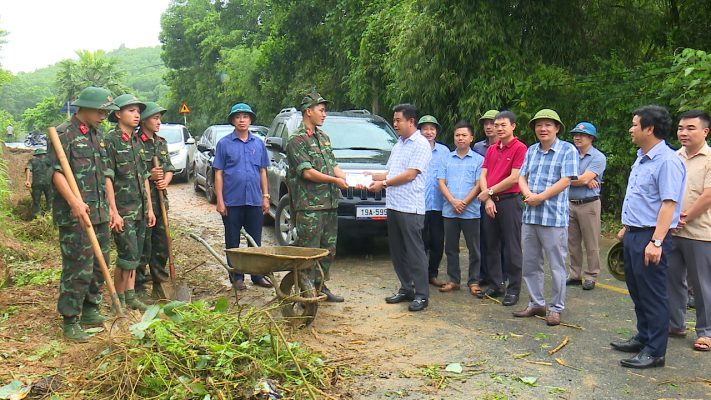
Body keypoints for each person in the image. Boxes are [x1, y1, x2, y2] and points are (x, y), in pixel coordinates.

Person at [611, 105, 685, 369]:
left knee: (653, 294)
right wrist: (627, 226)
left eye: (634, 124)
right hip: (634, 233)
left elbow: (668, 204)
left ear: (649, 128)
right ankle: (644, 336)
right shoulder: (642, 156)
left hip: (651, 237)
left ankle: (655, 351)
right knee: (638, 291)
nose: (631, 129)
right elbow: (641, 197)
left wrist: (656, 242)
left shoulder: (666, 160)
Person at [48, 86, 119, 341]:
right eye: (100, 110)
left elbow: (104, 175)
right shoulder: (62, 134)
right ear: (84, 108)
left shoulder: (97, 134)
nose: (103, 115)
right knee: (78, 266)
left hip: (98, 212)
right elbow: (56, 173)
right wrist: (74, 203)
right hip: (75, 214)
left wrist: (111, 208)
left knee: (100, 265)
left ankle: (91, 309)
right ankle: (71, 319)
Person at [514, 109, 578, 326]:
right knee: (530, 262)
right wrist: (528, 195)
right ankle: (536, 303)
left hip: (553, 217)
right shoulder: (531, 150)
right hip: (530, 215)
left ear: (557, 128)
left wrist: (540, 197)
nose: (543, 129)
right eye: (539, 125)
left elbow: (566, 180)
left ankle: (556, 308)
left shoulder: (567, 150)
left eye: (548, 125)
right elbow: (522, 176)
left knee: (557, 265)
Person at [368, 103, 431, 312]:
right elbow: (391, 171)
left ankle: (421, 294)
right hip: (394, 205)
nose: (395, 124)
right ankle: (406, 288)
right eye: (394, 120)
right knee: (397, 251)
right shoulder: (399, 144)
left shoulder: (421, 144)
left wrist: (384, 184)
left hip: (410, 207)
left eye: (398, 120)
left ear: (411, 121)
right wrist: (370, 176)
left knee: (415, 252)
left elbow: (411, 174)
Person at [286, 92, 348, 302]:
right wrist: (335, 181)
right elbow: (307, 172)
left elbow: (333, 165)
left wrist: (347, 178)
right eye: (321, 110)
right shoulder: (296, 140)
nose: (324, 114)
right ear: (308, 111)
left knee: (328, 250)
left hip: (330, 204)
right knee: (308, 251)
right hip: (310, 206)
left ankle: (320, 286)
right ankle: (304, 289)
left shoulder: (323, 137)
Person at [214, 102, 273, 292]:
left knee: (255, 240)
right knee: (233, 241)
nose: (242, 120)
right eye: (238, 116)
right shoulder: (224, 144)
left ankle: (256, 275)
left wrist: (265, 196)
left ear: (250, 120)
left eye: (245, 116)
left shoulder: (258, 143)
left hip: (254, 200)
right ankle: (236, 276)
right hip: (232, 201)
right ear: (232, 120)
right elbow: (219, 173)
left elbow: (263, 171)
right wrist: (220, 201)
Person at [105, 94, 155, 311]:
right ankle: (119, 300)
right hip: (123, 209)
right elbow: (107, 177)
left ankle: (131, 294)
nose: (136, 115)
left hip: (140, 209)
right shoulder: (111, 140)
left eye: (138, 111)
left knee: (136, 254)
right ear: (118, 114)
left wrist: (150, 208)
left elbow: (144, 177)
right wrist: (113, 211)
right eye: (131, 111)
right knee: (126, 255)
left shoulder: (136, 140)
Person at [666, 110, 711, 352]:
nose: (683, 132)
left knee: (703, 284)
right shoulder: (674, 157)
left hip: (701, 232)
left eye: (690, 128)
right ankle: (675, 323)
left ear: (705, 131)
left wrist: (684, 217)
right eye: (681, 128)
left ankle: (706, 331)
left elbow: (708, 195)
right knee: (672, 280)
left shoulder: (710, 158)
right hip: (673, 231)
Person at [476, 111, 527, 307]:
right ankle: (496, 284)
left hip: (510, 201)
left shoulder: (520, 148)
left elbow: (515, 177)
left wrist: (488, 191)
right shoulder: (491, 149)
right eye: (496, 125)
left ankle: (513, 289)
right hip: (490, 201)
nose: (498, 128)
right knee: (491, 245)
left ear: (513, 126)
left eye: (503, 125)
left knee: (512, 246)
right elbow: (483, 173)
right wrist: (488, 197)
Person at [437, 120, 484, 294]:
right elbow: (441, 182)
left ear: (471, 138)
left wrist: (464, 202)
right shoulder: (446, 158)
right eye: (457, 135)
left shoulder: (479, 160)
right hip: (449, 210)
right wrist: (453, 201)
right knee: (450, 247)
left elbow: (479, 184)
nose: (460, 138)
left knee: (474, 249)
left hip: (470, 211)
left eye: (464, 135)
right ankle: (453, 279)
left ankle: (474, 281)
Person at [135, 102, 175, 300]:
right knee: (144, 245)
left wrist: (164, 182)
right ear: (144, 120)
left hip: (160, 202)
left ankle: (160, 283)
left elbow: (168, 168)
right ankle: (139, 287)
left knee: (161, 244)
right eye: (155, 118)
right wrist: (149, 175)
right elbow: (132, 173)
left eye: (160, 118)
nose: (159, 122)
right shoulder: (135, 142)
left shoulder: (161, 142)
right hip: (142, 203)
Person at [566, 122, 607, 290]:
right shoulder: (570, 154)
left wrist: (580, 179)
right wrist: (583, 180)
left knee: (591, 243)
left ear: (591, 138)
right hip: (570, 203)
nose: (577, 137)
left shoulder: (598, 157)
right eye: (575, 134)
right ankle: (575, 274)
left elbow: (578, 179)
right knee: (572, 242)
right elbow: (560, 175)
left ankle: (591, 275)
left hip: (589, 204)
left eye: (582, 135)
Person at [418, 115, 449, 287]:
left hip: (439, 204)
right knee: (420, 242)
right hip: (419, 204)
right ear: (420, 131)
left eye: (432, 129)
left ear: (436, 131)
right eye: (425, 129)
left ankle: (433, 274)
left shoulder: (444, 151)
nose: (429, 132)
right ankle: (420, 276)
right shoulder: (416, 149)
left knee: (437, 241)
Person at [473, 109, 500, 287]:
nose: (489, 127)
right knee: (483, 237)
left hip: (502, 197)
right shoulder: (478, 147)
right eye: (486, 123)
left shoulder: (512, 147)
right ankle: (484, 274)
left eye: (493, 123)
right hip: (482, 198)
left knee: (502, 240)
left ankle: (502, 275)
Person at [25, 148, 53, 218]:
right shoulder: (49, 160)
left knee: (36, 201)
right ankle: (49, 215)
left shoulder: (32, 161)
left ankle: (37, 216)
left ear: (36, 155)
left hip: (37, 184)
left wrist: (27, 180)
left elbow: (28, 168)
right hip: (49, 183)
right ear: (44, 154)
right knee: (50, 200)